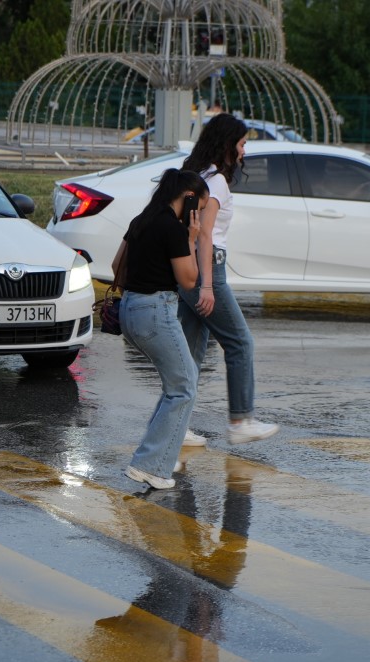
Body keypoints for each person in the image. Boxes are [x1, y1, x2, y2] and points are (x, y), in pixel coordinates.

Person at [178, 113, 279, 446]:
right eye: (242, 144)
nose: (244, 152)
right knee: (239, 342)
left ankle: (175, 428)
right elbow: (204, 235)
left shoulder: (193, 173)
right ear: (227, 146)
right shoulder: (216, 181)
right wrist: (207, 284)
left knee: (190, 353)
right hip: (206, 269)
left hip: (187, 267)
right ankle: (241, 420)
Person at [114, 169, 209, 490]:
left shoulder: (142, 220)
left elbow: (117, 267)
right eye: (202, 207)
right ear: (190, 198)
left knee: (177, 385)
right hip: (156, 310)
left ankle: (161, 456)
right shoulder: (171, 227)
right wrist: (192, 240)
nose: (201, 215)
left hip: (131, 308)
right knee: (184, 387)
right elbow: (189, 280)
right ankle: (150, 465)